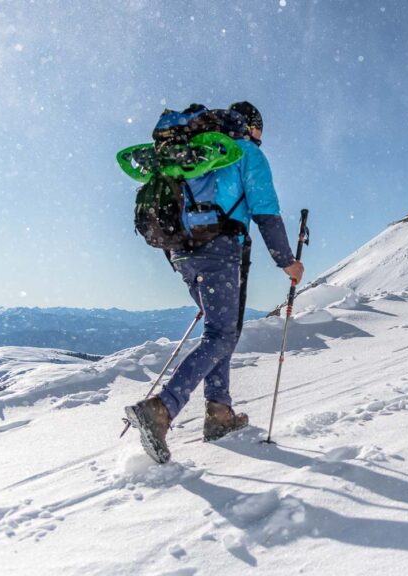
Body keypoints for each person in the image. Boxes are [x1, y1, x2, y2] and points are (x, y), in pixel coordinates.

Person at [126, 101, 304, 464]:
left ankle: (219, 412)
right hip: (219, 249)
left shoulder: (195, 151)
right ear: (250, 126)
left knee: (221, 331)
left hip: (180, 251)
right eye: (259, 129)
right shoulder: (245, 153)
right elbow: (266, 212)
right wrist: (287, 262)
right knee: (221, 334)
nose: (260, 137)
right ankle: (162, 408)